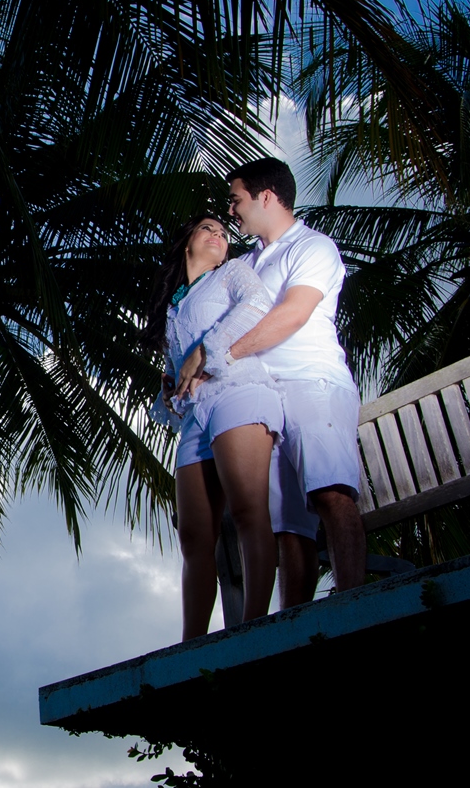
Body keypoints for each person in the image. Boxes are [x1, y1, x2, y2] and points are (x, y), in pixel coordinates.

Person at [178, 158, 366, 607]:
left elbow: (293, 313)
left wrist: (214, 356)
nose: (232, 210)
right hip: (262, 398)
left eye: (236, 199)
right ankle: (293, 627)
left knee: (330, 492)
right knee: (285, 525)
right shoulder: (247, 263)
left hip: (310, 382)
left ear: (265, 196)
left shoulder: (311, 247)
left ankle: (355, 609)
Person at [143, 214, 282, 640]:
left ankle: (254, 627)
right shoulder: (174, 304)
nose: (220, 236)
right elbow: (177, 366)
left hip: (237, 392)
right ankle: (192, 644)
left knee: (246, 510)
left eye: (224, 231)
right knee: (194, 536)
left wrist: (206, 349)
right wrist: (168, 385)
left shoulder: (234, 273)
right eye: (209, 229)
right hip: (194, 418)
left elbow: (257, 305)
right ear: (186, 241)